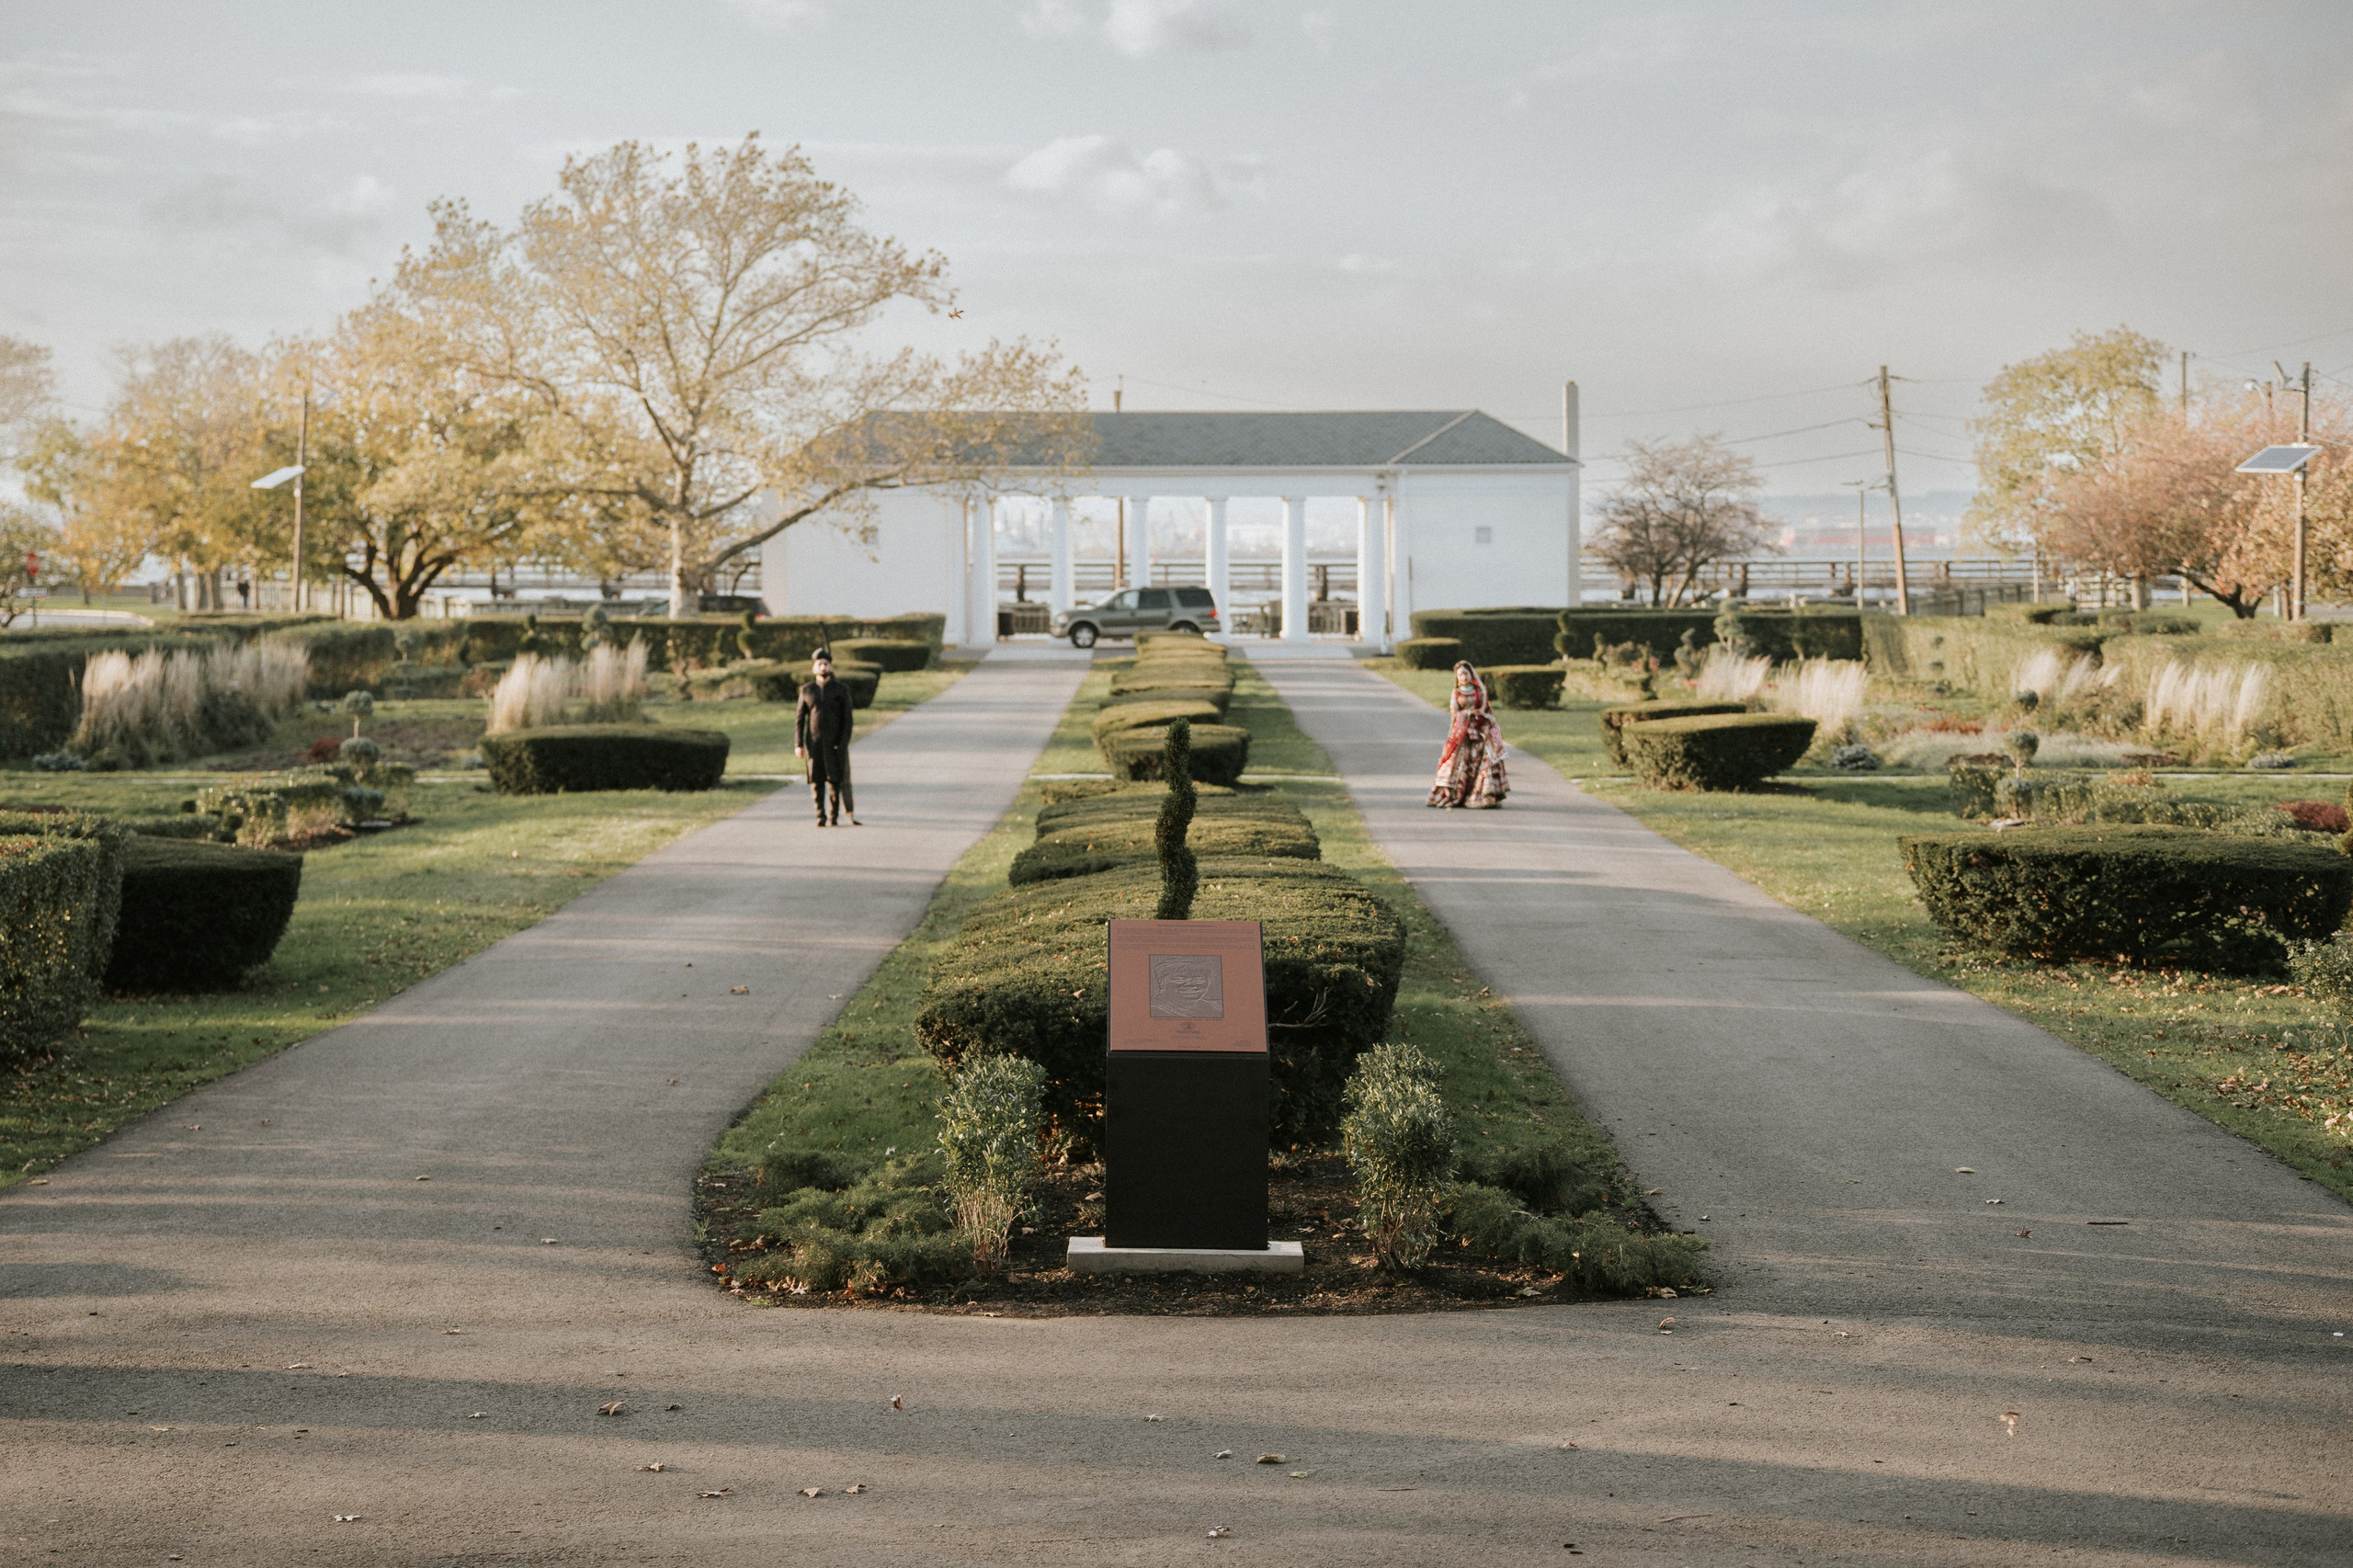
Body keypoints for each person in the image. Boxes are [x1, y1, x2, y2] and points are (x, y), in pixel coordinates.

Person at [1427, 660, 1508, 809]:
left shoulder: (1480, 691)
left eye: (1465, 674)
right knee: (1460, 761)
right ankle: (1457, 794)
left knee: (1486, 758)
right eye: (1460, 675)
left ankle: (1483, 795)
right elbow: (1455, 714)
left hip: (1479, 730)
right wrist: (1467, 715)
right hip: (1463, 732)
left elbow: (1485, 710)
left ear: (1471, 675)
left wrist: (1481, 719)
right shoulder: (1456, 693)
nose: (1463, 677)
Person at [794, 649, 858, 826]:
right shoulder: (807, 690)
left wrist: (842, 743)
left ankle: (833, 816)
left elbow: (847, 720)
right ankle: (820, 816)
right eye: (819, 664)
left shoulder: (841, 690)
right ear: (814, 668)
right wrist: (799, 744)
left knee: (835, 780)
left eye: (826, 664)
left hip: (834, 744)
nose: (823, 667)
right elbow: (800, 719)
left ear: (831, 667)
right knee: (816, 780)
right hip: (814, 743)